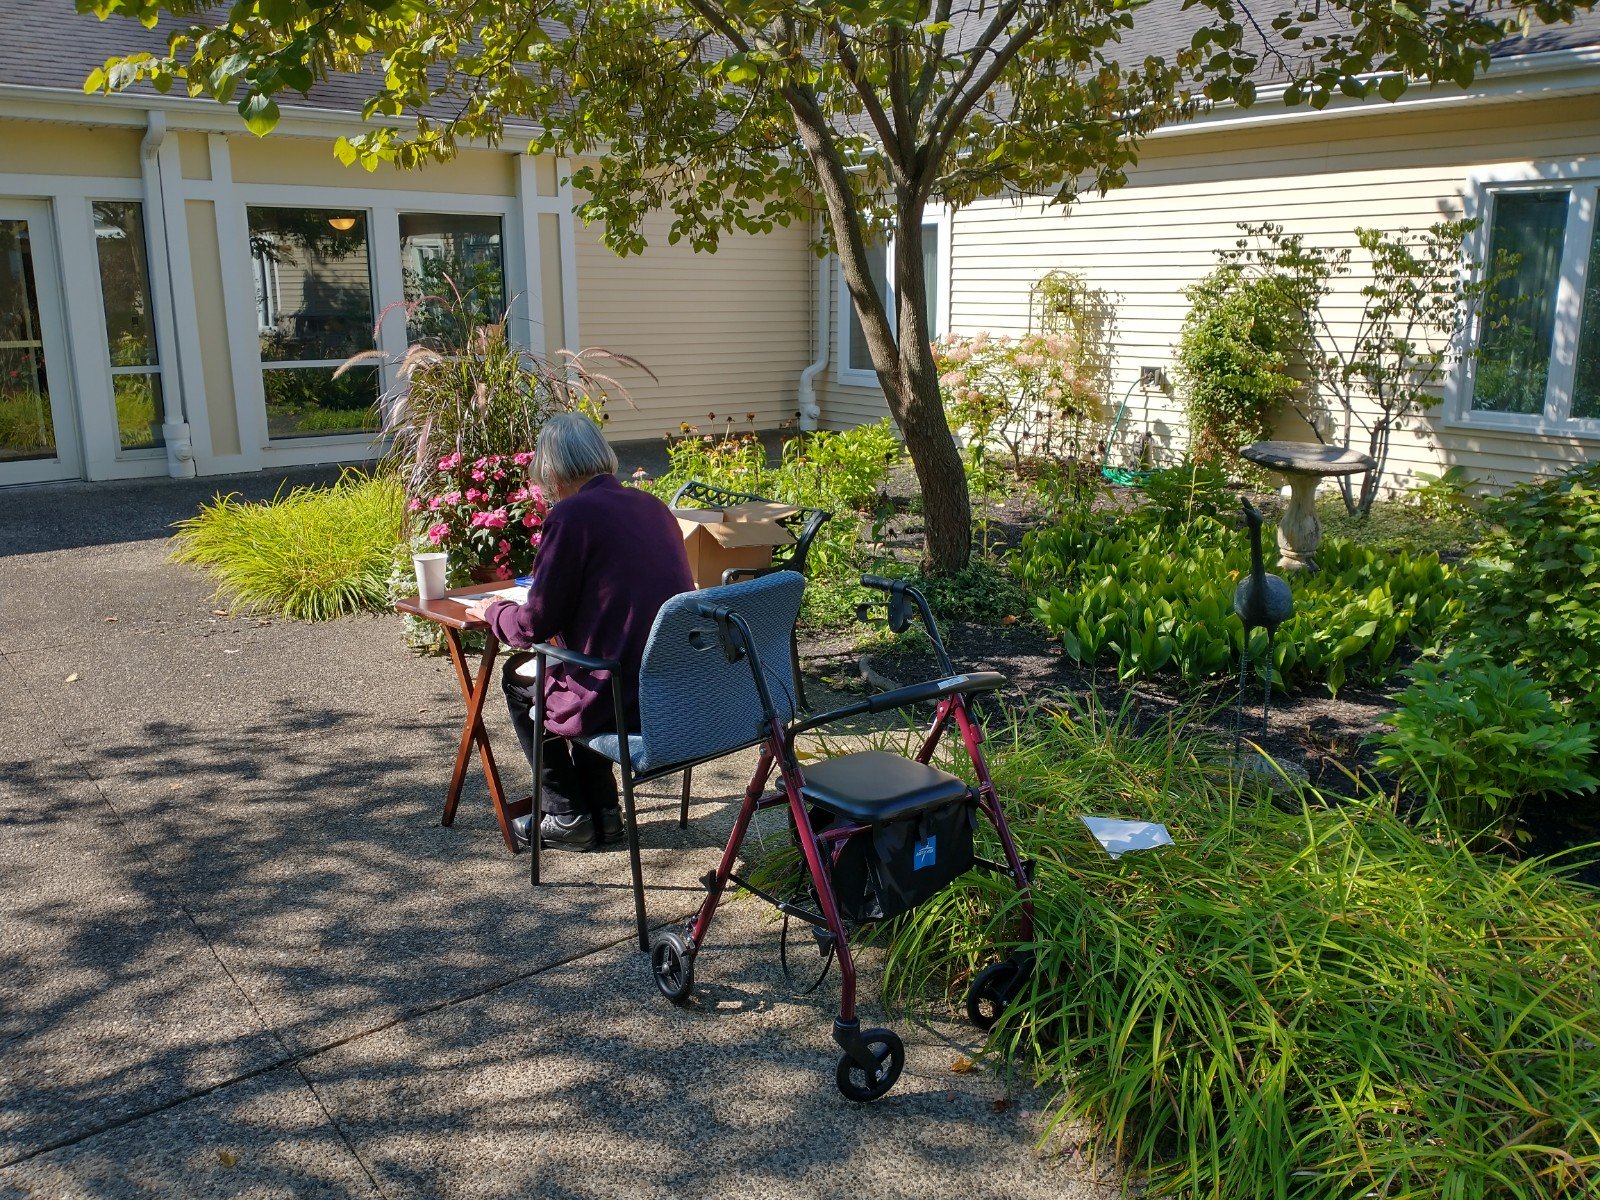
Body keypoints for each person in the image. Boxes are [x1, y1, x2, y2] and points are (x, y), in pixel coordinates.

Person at [464, 413, 693, 851]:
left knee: (520, 676)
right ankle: (605, 810)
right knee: (588, 663)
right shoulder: (652, 505)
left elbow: (534, 624)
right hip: (668, 690)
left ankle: (567, 813)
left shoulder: (571, 515)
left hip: (618, 695)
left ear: (548, 471)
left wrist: (493, 611)